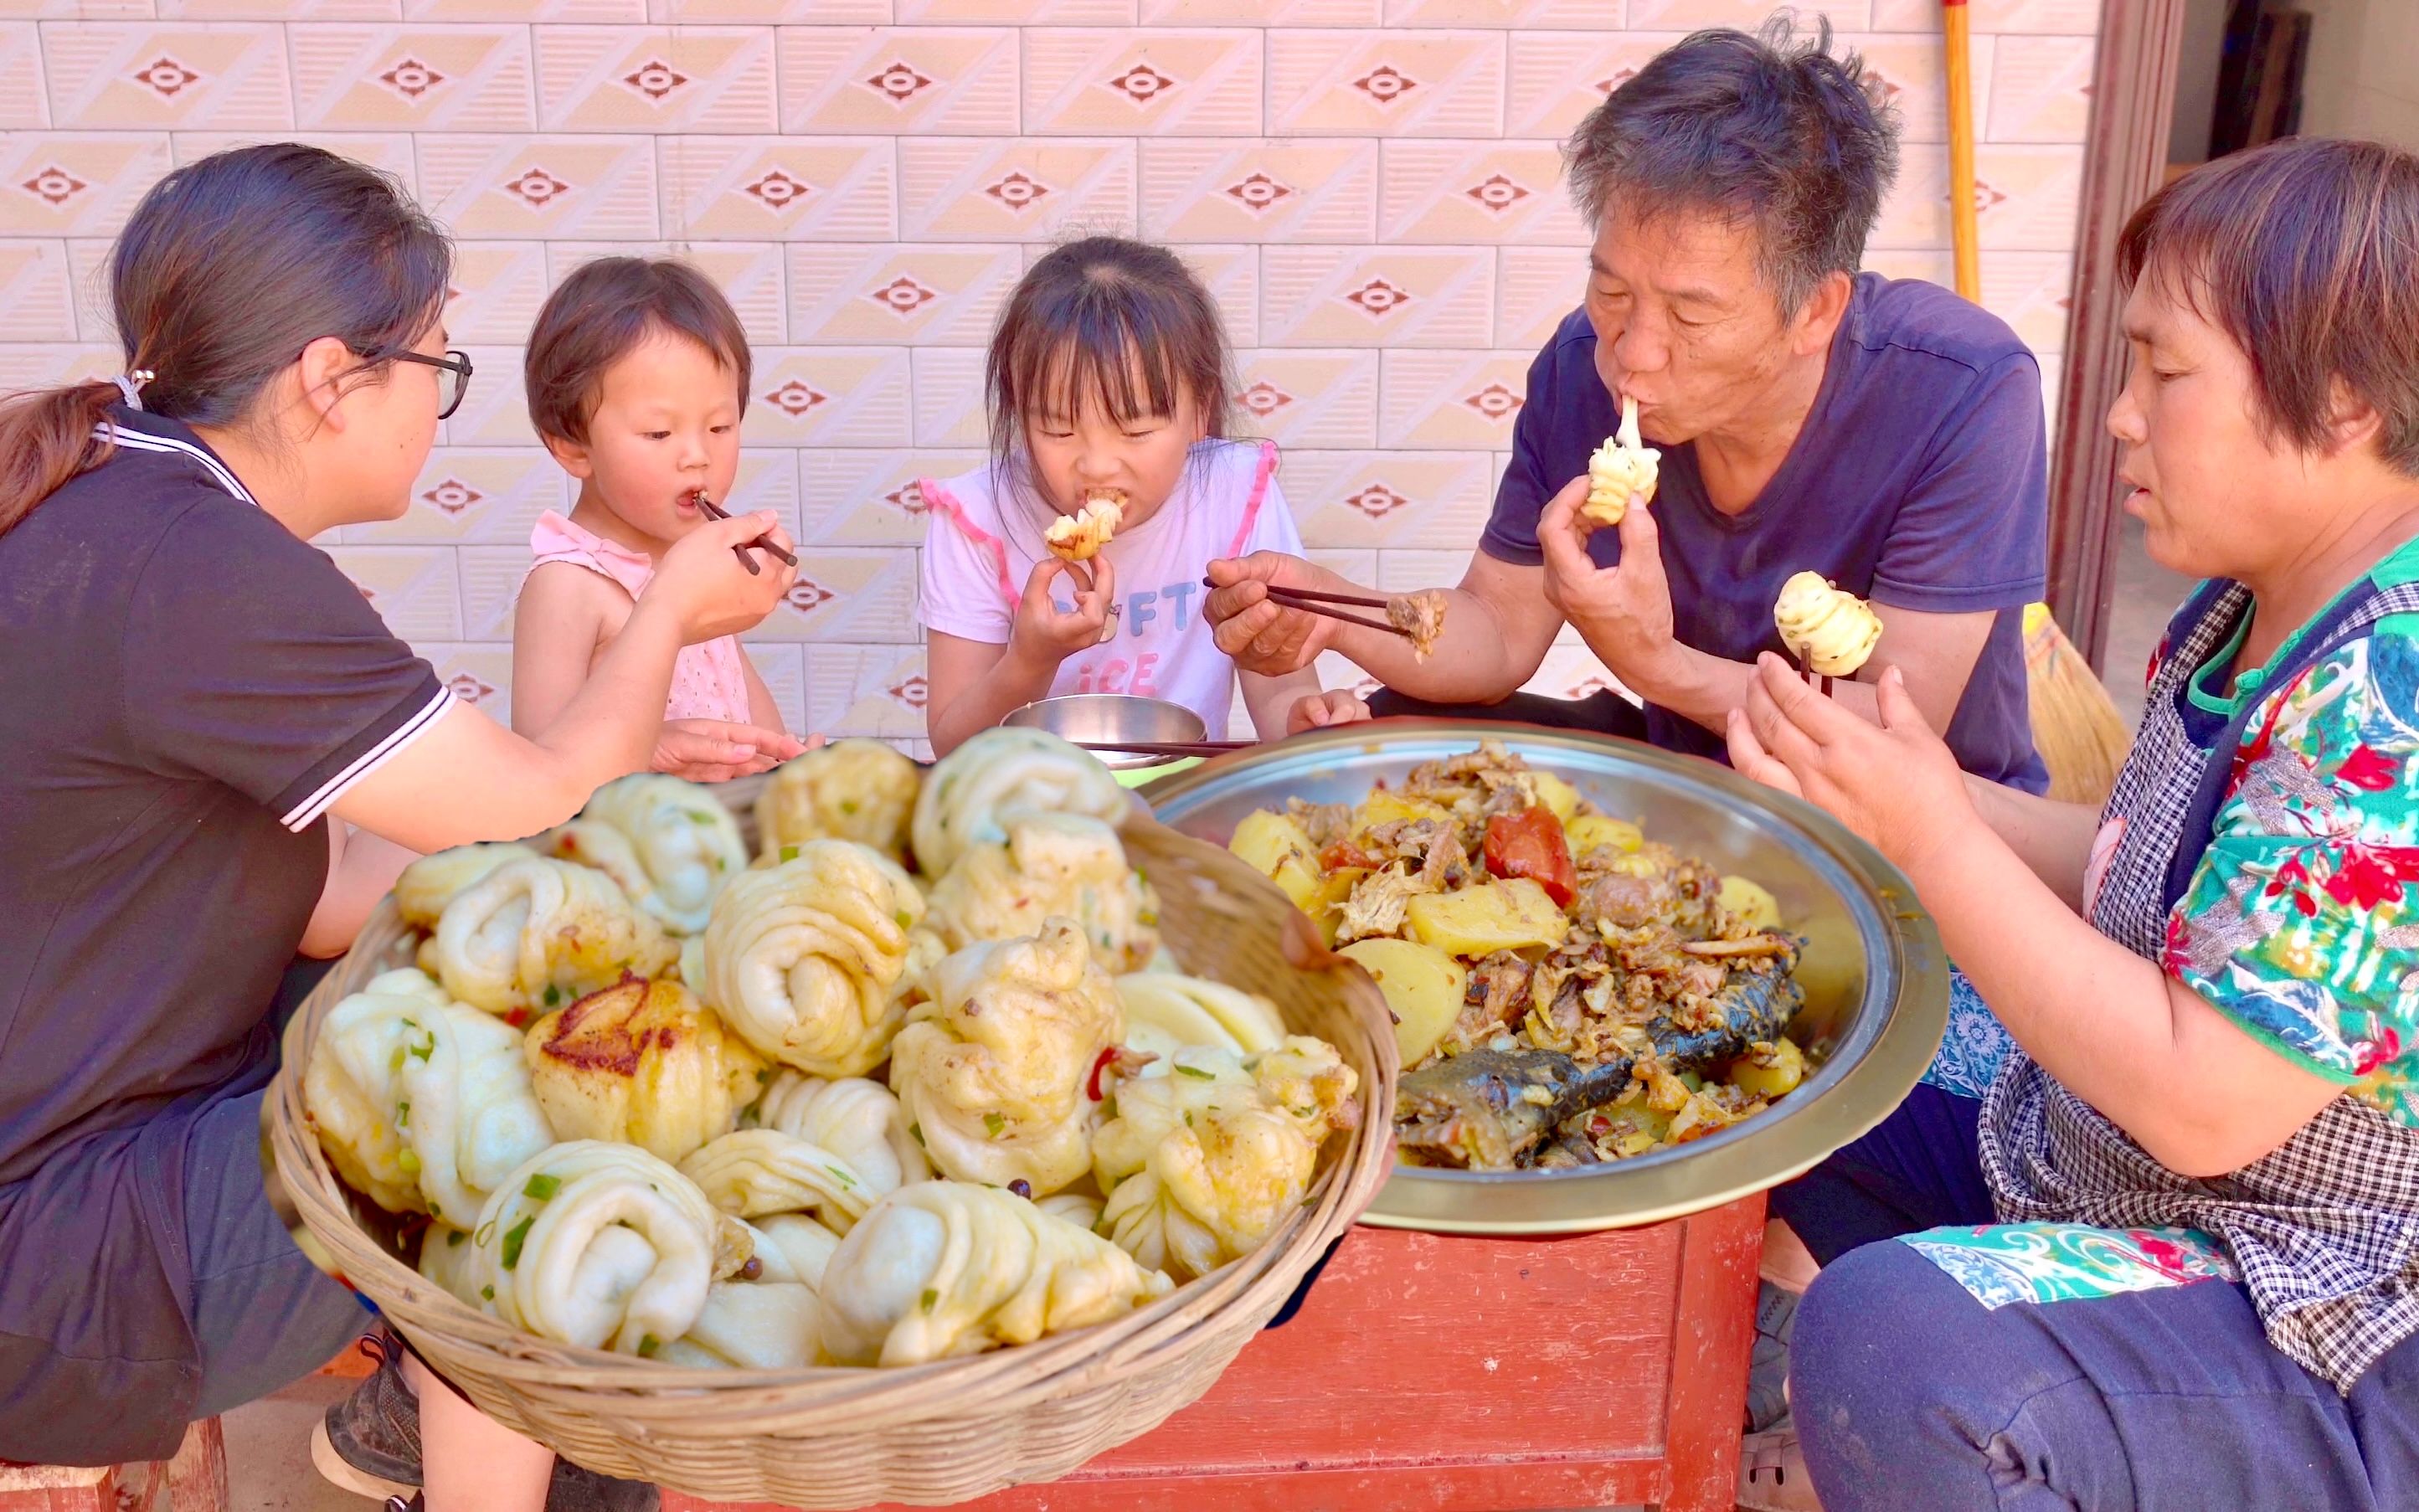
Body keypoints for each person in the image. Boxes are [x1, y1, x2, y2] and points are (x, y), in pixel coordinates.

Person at [0, 144, 795, 1510]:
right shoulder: (209, 572)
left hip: (68, 1195)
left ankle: (449, 1428)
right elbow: (531, 815)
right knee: (532, 1095)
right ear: (327, 378)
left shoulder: (123, 511)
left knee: (484, 986)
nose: (440, 406)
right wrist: (663, 615)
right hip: (67, 1270)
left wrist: (613, 769)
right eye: (438, 366)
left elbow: (336, 889)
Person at [1730, 137, 2419, 1509]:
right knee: (1779, 1052)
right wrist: (1885, 779)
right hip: (2104, 1174)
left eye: (2161, 373)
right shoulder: (2243, 608)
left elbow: (2199, 1101)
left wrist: (1929, 835)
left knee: (1898, 1342)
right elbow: (2127, 858)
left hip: (2309, 1295)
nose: (2116, 415)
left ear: (2340, 403)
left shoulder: (2386, 693)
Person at [1205, 18, 2049, 794]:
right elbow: (1497, 635)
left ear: (1816, 312)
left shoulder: (1961, 390)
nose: (1633, 354)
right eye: (1612, 291)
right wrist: (1325, 609)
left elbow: (1892, 726)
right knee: (1388, 737)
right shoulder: (1581, 367)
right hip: (1693, 784)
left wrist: (1653, 662)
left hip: (1919, 818)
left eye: (1691, 313)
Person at [919, 235, 1341, 755]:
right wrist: (1030, 660)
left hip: (1187, 799)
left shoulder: (1236, 494)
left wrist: (1307, 724)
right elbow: (952, 745)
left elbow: (1280, 685)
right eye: (1056, 430)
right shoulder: (976, 519)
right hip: (1029, 810)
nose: (1096, 465)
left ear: (1198, 414)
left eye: (1136, 432)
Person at [511, 256, 805, 783]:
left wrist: (787, 766)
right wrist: (646, 749)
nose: (697, 456)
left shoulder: (695, 564)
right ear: (573, 447)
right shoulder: (568, 584)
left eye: (720, 427)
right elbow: (539, 767)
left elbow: (743, 710)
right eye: (658, 434)